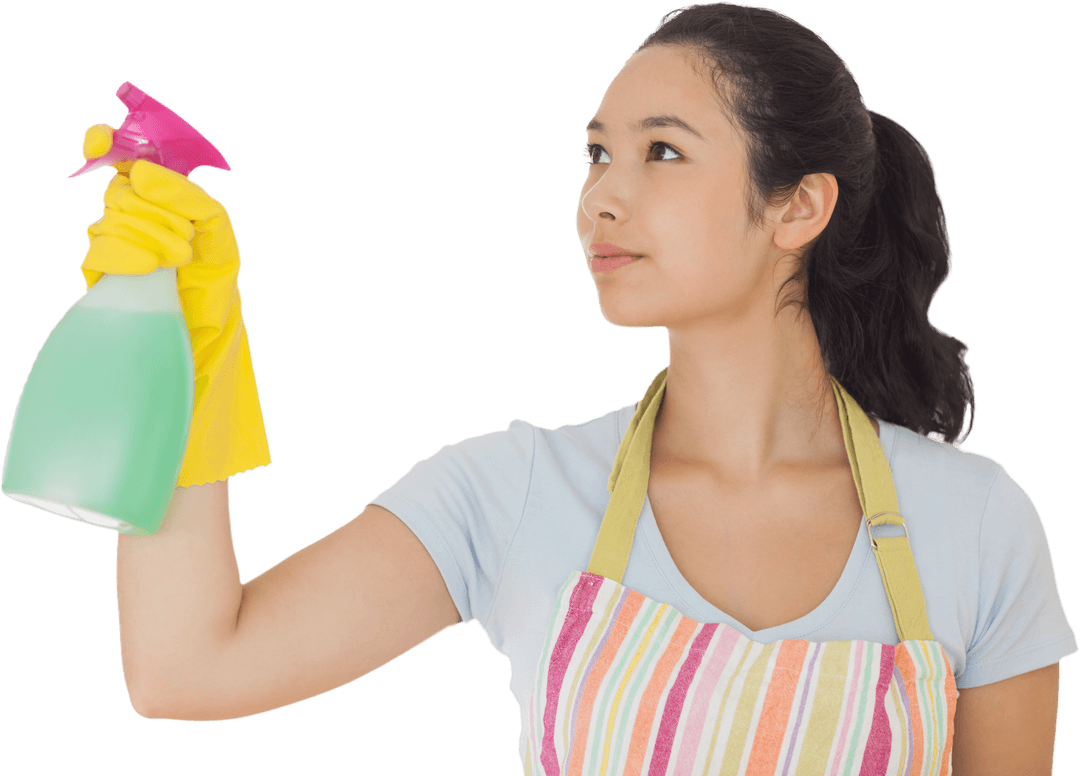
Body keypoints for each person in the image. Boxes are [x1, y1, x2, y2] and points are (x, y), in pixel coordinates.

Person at [109, 3, 1075, 774]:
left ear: (798, 206)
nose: (600, 197)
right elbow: (185, 666)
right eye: (596, 154)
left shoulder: (976, 524)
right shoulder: (516, 490)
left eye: (661, 151)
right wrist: (180, 361)